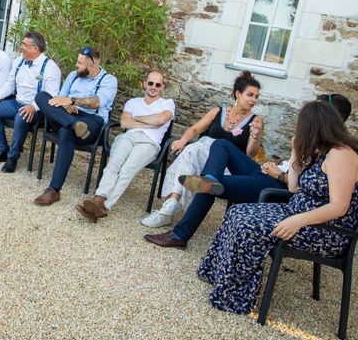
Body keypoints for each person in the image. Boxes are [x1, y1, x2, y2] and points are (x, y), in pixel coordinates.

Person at [195, 100, 358, 316]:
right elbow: (293, 186)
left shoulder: (342, 154)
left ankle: (235, 297)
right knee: (237, 212)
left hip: (322, 231)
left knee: (248, 226)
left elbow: (340, 206)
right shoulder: (324, 151)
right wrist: (296, 150)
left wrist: (298, 220)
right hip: (296, 214)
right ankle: (219, 276)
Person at [144, 93, 354, 248]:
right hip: (266, 172)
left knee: (211, 188)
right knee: (221, 145)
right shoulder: (319, 141)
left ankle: (180, 235)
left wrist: (281, 170)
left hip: (273, 185)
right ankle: (210, 178)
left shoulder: (333, 152)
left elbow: (297, 187)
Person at [142, 71, 263, 228]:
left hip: (226, 166)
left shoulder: (256, 120)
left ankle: (170, 206)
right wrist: (182, 140)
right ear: (238, 94)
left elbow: (250, 154)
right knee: (190, 151)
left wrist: (255, 135)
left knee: (192, 151)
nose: (253, 100)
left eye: (256, 97)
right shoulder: (218, 111)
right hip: (200, 157)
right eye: (250, 95)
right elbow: (194, 130)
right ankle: (172, 204)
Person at [75, 71, 175, 222]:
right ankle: (99, 198)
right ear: (144, 83)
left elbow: (161, 119)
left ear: (162, 87)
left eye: (158, 84)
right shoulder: (133, 102)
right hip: (128, 137)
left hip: (149, 142)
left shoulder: (167, 103)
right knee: (113, 165)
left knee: (127, 170)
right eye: (150, 83)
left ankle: (103, 206)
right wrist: (150, 122)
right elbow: (124, 123)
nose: (153, 87)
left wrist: (137, 118)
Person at [32, 47, 118, 205]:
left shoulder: (108, 80)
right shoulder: (73, 75)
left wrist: (72, 101)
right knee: (41, 97)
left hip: (92, 122)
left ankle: (53, 190)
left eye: (80, 63)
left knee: (66, 133)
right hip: (69, 116)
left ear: (91, 66)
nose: (76, 65)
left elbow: (97, 102)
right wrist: (65, 105)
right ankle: (73, 125)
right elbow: (60, 98)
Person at [0, 31, 61, 166]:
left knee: (21, 117)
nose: (21, 47)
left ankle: (12, 157)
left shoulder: (50, 67)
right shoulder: (19, 61)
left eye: (24, 44)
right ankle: (1, 150)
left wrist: (34, 106)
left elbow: (51, 96)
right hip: (17, 103)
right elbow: (10, 84)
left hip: (38, 110)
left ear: (35, 48)